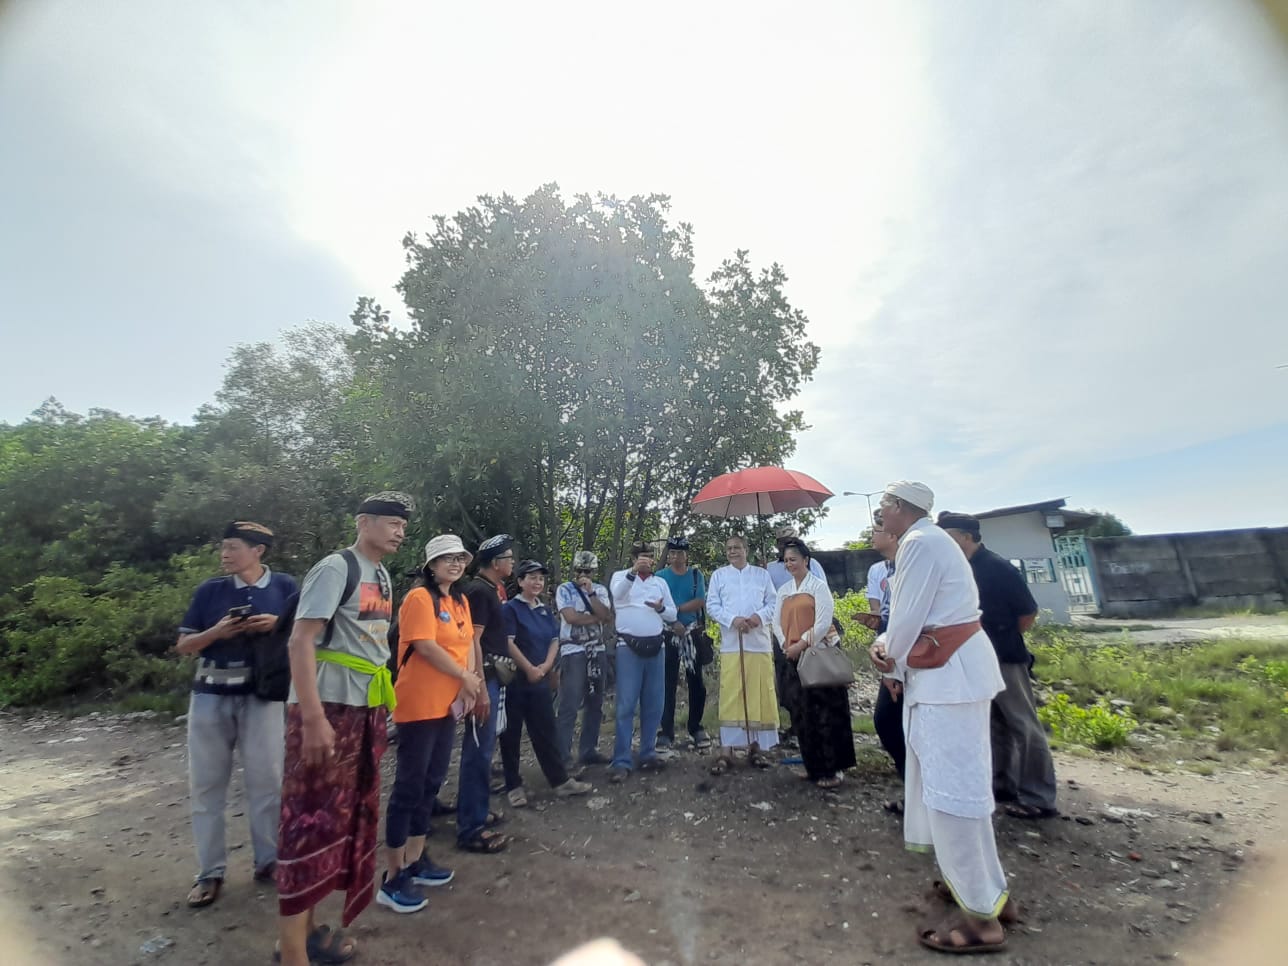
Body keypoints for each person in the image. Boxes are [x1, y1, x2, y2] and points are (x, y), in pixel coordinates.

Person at [869, 482, 1014, 956]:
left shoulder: (918, 542)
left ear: (902, 509)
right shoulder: (930, 541)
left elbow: (907, 619)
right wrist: (900, 658)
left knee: (953, 791)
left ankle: (979, 919)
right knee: (959, 786)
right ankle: (986, 891)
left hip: (948, 680)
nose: (880, 513)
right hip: (948, 674)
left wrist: (887, 656)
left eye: (884, 505)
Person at [274, 492, 411, 966]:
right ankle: (291, 951)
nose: (398, 532)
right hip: (327, 709)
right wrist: (312, 718)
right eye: (390, 523)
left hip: (364, 709)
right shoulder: (337, 568)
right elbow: (301, 639)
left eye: (403, 526)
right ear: (363, 522)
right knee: (307, 821)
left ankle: (310, 932)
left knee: (337, 822)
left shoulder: (383, 575)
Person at [176, 521, 297, 909]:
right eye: (223, 547)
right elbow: (184, 645)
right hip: (211, 696)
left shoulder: (285, 588)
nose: (224, 555)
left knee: (268, 781)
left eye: (232, 547)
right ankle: (209, 872)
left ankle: (269, 862)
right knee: (207, 785)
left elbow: (309, 634)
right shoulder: (210, 591)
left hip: (264, 696)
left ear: (258, 550)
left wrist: (277, 624)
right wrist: (217, 632)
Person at [379, 535, 481, 914]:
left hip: (447, 704)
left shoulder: (460, 600)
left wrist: (469, 684)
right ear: (430, 565)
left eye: (459, 558)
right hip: (419, 703)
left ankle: (416, 859)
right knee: (409, 785)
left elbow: (468, 643)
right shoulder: (419, 599)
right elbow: (424, 645)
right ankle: (392, 877)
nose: (454, 564)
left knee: (431, 782)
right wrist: (464, 676)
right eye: (446, 559)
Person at [937, 511, 1057, 819]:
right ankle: (1002, 784)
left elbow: (1027, 614)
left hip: (1005, 657)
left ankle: (1039, 796)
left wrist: (1001, 638)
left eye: (950, 536)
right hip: (975, 659)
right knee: (992, 724)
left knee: (1023, 725)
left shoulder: (997, 568)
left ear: (967, 536)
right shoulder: (961, 569)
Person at [499, 560, 593, 805]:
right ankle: (513, 785)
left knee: (545, 731)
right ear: (520, 582)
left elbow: (554, 639)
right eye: (531, 578)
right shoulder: (510, 609)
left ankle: (560, 781)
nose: (537, 582)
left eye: (540, 578)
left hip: (540, 679)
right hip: (516, 680)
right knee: (511, 735)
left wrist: (546, 666)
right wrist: (529, 668)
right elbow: (509, 642)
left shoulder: (544, 609)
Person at [773, 538, 855, 789]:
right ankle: (813, 766)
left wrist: (802, 643)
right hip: (792, 657)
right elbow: (776, 621)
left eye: (794, 560)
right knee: (802, 714)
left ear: (806, 560)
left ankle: (834, 768)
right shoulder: (784, 590)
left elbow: (822, 622)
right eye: (786, 560)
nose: (790, 564)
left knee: (827, 714)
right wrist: (786, 643)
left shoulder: (818, 587)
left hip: (818, 655)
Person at [455, 534, 515, 854]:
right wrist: (478, 687)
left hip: (491, 676)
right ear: (495, 563)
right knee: (478, 750)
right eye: (508, 557)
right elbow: (471, 640)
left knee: (484, 748)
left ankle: (475, 810)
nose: (512, 562)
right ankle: (470, 827)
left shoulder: (493, 589)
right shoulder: (480, 591)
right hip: (483, 678)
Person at [704, 533, 778, 773]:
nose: (732, 551)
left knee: (758, 693)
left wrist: (758, 617)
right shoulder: (719, 575)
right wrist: (733, 619)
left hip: (758, 643)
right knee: (732, 694)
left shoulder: (762, 574)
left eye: (737, 547)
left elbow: (774, 603)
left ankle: (756, 748)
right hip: (732, 643)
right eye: (728, 548)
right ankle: (726, 750)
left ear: (747, 549)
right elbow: (712, 605)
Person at [608, 542, 678, 784]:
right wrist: (632, 572)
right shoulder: (621, 577)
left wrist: (661, 609)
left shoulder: (660, 583)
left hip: (656, 647)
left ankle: (648, 752)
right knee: (626, 705)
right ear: (634, 558)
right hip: (628, 648)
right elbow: (616, 596)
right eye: (641, 557)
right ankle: (621, 760)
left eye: (649, 557)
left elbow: (673, 614)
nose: (646, 561)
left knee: (654, 703)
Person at [554, 550, 613, 770]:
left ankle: (588, 750)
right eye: (580, 571)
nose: (583, 575)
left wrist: (591, 595)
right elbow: (570, 617)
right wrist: (595, 617)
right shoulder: (565, 589)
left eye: (587, 571)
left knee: (595, 702)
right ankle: (563, 756)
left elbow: (606, 616)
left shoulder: (599, 590)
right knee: (569, 703)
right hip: (573, 650)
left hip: (596, 650)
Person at [655, 536, 711, 750]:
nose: (676, 556)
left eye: (680, 552)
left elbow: (699, 601)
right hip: (667, 633)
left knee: (696, 681)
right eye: (672, 553)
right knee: (666, 682)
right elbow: (657, 603)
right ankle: (666, 731)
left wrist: (676, 611)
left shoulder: (696, 575)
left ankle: (696, 727)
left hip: (692, 633)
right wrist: (672, 620)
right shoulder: (660, 576)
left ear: (687, 554)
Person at [866, 510, 907, 791]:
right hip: (893, 653)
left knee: (892, 722)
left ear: (892, 535)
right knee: (888, 722)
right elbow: (892, 616)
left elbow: (910, 618)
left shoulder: (908, 567)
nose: (871, 536)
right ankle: (912, 785)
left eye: (875, 530)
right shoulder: (888, 569)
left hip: (911, 656)